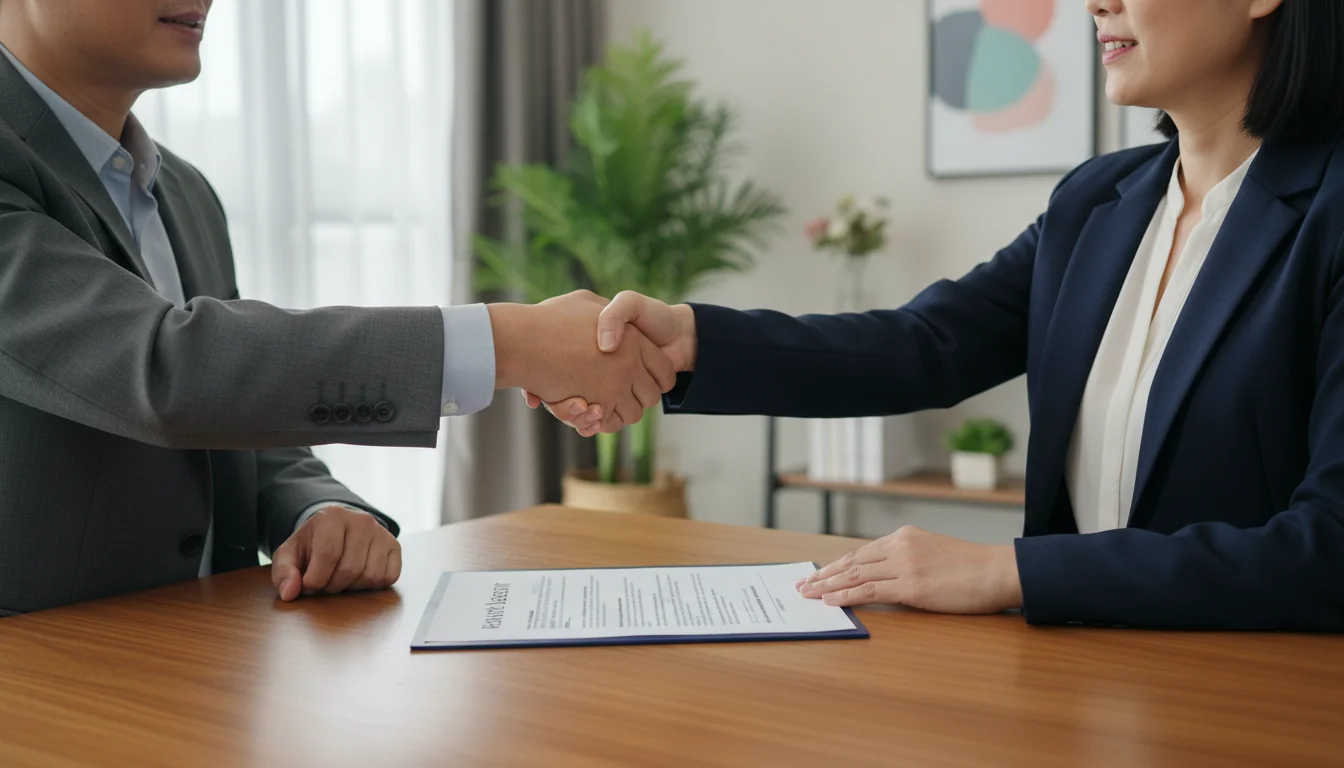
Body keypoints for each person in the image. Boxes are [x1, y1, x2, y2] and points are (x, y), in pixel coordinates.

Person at [532, 0, 1344, 631]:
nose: (1094, 3)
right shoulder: (1097, 202)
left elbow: (1328, 547)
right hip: (1080, 686)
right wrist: (692, 342)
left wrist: (1007, 573)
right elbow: (923, 345)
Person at [0, 0, 675, 615]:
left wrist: (316, 506)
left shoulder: (183, 191)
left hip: (194, 671)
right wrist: (510, 342)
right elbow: (167, 367)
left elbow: (228, 410)